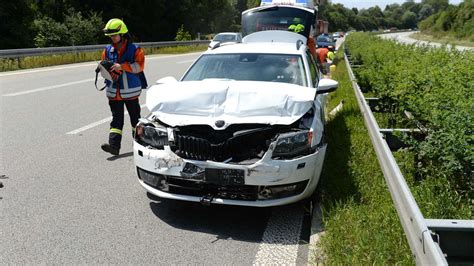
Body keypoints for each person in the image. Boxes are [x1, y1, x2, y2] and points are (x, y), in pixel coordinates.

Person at [100, 18, 145, 156]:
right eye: (110, 36)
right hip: (114, 93)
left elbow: (139, 66)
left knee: (135, 120)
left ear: (122, 34)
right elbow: (104, 69)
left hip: (130, 92)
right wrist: (105, 70)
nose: (112, 38)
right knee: (116, 120)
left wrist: (123, 67)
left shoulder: (135, 50)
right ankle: (114, 147)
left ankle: (140, 145)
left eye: (114, 35)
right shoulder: (107, 50)